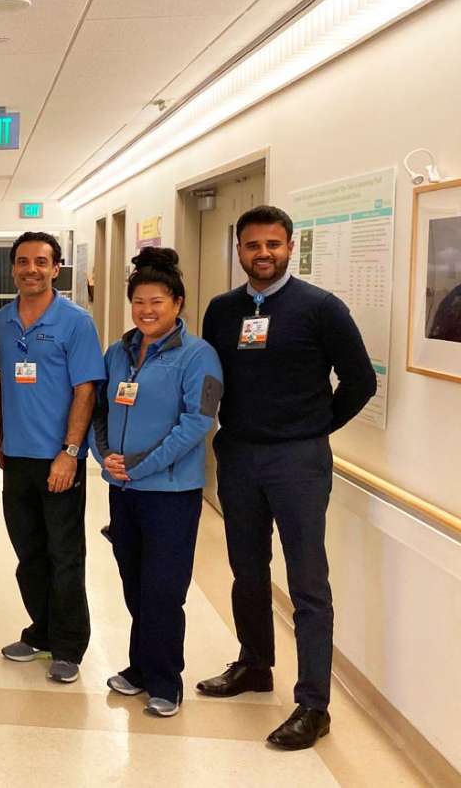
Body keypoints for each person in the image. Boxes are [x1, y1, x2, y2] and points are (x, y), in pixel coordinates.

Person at [198, 206, 376, 749]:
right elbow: (211, 379)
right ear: (239, 250)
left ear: (290, 247)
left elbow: (360, 381)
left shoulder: (321, 308)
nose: (263, 254)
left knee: (306, 584)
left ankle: (313, 704)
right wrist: (205, 426)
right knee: (246, 571)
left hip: (298, 461)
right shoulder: (223, 311)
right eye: (253, 245)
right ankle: (255, 664)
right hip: (240, 457)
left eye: (273, 244)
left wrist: (314, 427)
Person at [92, 248, 223, 717]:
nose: (147, 310)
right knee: (132, 581)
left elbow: (197, 424)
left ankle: (166, 679)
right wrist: (104, 457)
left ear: (178, 304)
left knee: (163, 588)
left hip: (170, 493)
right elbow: (99, 410)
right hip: (122, 489)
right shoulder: (118, 351)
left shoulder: (199, 355)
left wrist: (139, 465)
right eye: (139, 302)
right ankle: (140, 667)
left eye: (158, 302)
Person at [0, 231, 104, 684]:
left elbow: (86, 390)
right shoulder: (3, 318)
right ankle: (40, 630)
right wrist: (0, 435)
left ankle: (69, 645)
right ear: (14, 268)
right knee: (28, 553)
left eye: (41, 262)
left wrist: (71, 453)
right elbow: (4, 380)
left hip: (58, 458)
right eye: (23, 261)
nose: (31, 269)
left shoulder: (75, 321)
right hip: (17, 458)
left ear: (56, 268)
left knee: (64, 554)